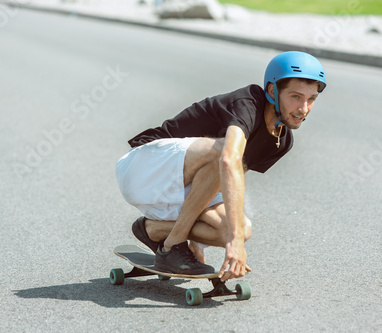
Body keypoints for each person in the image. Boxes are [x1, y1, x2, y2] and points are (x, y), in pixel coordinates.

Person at [115, 51, 327, 281]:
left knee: (241, 229)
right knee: (227, 151)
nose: (303, 108)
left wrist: (204, 243)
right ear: (272, 91)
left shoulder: (282, 142)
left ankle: (153, 230)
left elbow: (219, 181)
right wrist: (233, 245)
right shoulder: (248, 102)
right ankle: (174, 245)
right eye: (295, 97)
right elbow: (227, 160)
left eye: (311, 99)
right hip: (143, 168)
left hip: (177, 189)